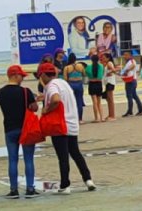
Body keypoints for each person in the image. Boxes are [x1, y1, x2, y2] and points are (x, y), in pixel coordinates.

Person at [37, 62, 95, 195]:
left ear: (45, 75)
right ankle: (88, 179)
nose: (40, 79)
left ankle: (65, 184)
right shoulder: (63, 83)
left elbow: (56, 99)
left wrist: (46, 109)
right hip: (72, 123)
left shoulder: (51, 86)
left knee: (62, 156)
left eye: (40, 76)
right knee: (75, 153)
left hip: (59, 125)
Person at [0, 65, 38, 199]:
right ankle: (30, 188)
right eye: (21, 76)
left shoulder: (0, 92)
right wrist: (34, 100)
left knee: (12, 159)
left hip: (9, 128)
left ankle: (13, 189)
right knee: (28, 159)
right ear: (15, 76)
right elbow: (34, 108)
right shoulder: (25, 91)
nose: (22, 79)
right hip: (25, 127)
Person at [120, 50, 142, 116]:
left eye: (126, 55)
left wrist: (127, 70)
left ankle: (130, 111)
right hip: (131, 80)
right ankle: (140, 109)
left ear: (130, 55)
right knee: (134, 95)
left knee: (129, 96)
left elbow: (133, 65)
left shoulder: (131, 61)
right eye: (124, 55)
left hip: (130, 80)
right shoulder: (129, 62)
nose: (124, 56)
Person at [85, 52, 105, 123]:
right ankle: (102, 117)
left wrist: (91, 79)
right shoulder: (101, 66)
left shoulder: (88, 67)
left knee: (94, 102)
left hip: (92, 84)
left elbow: (86, 74)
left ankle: (97, 118)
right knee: (99, 102)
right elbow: (101, 76)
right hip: (99, 84)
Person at [65, 54, 86, 120]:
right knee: (79, 100)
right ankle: (80, 119)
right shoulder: (80, 66)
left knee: (72, 102)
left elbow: (65, 79)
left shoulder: (67, 68)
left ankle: (74, 118)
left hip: (71, 84)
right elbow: (84, 75)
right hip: (79, 83)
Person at [102, 53, 119, 121]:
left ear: (108, 58)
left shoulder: (109, 63)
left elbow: (114, 70)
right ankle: (110, 114)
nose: (103, 58)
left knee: (110, 99)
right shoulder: (106, 64)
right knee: (108, 99)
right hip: (107, 82)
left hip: (110, 82)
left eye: (104, 57)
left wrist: (111, 71)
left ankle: (112, 115)